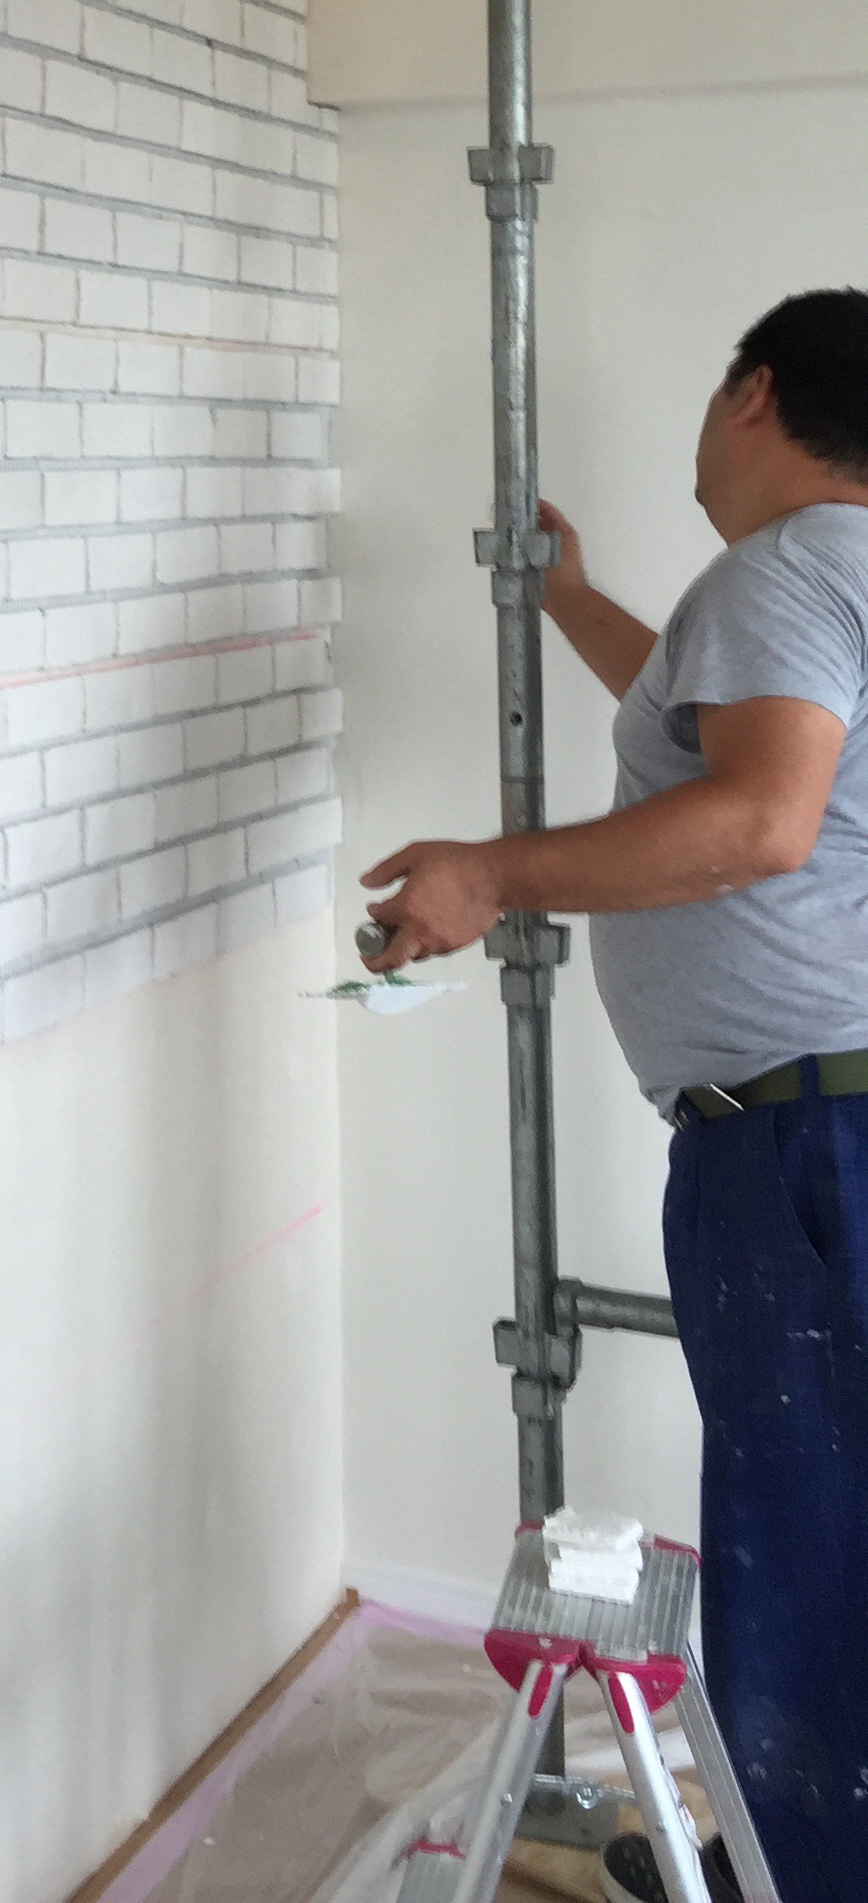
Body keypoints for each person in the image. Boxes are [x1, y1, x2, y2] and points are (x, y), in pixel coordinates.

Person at [361, 289, 868, 1903]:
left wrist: (495, 873)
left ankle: (803, 1874)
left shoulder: (780, 573)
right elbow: (721, 740)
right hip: (832, 1126)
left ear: (756, 394)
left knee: (805, 1540)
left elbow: (762, 816)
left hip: (802, 1143)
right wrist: (571, 604)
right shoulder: (835, 585)